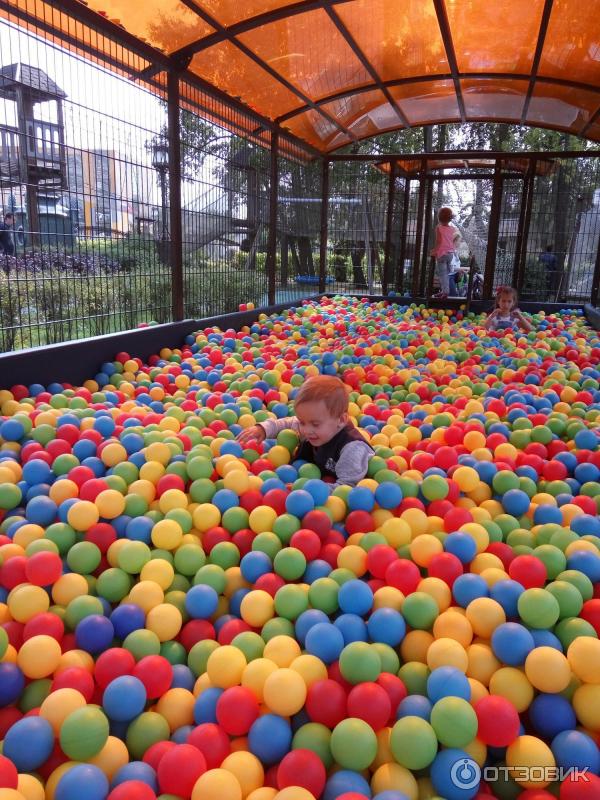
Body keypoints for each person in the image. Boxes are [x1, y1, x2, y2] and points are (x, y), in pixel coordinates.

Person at [237, 375, 373, 487]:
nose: (306, 430)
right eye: (302, 422)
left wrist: (305, 488)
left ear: (341, 420)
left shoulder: (352, 449)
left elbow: (346, 488)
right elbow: (288, 422)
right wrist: (263, 429)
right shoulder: (312, 425)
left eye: (315, 424)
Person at [430, 206, 455, 299]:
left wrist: (435, 251)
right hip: (450, 254)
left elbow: (439, 241)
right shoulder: (452, 229)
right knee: (445, 274)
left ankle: (445, 292)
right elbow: (449, 241)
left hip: (442, 253)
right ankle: (443, 290)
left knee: (442, 273)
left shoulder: (439, 228)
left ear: (439, 218)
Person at [448, 232, 463, 296]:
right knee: (453, 296)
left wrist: (462, 270)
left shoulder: (455, 252)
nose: (460, 243)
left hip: (453, 277)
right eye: (459, 241)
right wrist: (466, 268)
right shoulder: (450, 252)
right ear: (455, 241)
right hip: (449, 278)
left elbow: (457, 265)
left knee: (454, 296)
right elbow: (452, 269)